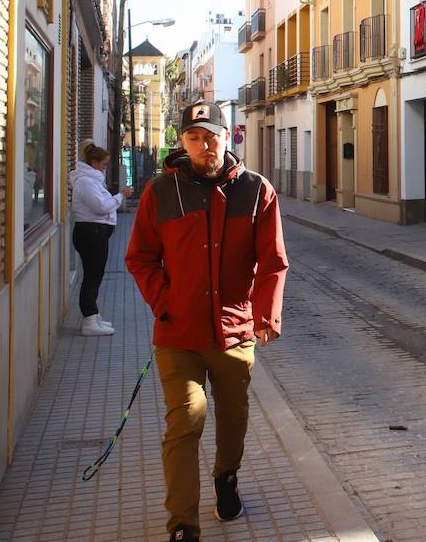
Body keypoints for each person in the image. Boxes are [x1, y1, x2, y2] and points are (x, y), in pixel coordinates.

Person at [126, 101, 288, 542]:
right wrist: (164, 301)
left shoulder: (256, 191)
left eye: (211, 135)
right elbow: (139, 257)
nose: (204, 145)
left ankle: (226, 476)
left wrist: (265, 315)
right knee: (186, 417)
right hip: (178, 333)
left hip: (234, 332)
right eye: (194, 138)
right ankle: (182, 523)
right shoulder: (160, 192)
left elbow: (273, 262)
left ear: (227, 136)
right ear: (182, 143)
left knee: (233, 418)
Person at [70, 143, 134, 336]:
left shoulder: (91, 180)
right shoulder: (86, 182)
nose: (105, 167)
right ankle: (89, 319)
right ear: (94, 162)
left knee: (95, 275)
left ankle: (93, 315)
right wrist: (120, 196)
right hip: (91, 233)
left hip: (95, 232)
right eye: (104, 164)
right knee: (92, 276)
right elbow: (101, 206)